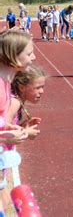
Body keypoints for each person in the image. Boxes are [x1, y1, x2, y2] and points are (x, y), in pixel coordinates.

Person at [0, 30, 36, 214]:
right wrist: (6, 135)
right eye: (29, 54)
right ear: (13, 56)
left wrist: (9, 127)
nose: (34, 57)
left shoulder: (5, 83)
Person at [7, 65, 45, 138]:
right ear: (22, 87)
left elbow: (9, 127)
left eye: (42, 87)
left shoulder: (18, 100)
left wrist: (23, 126)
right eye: (37, 88)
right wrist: (26, 133)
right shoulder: (14, 103)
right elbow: (3, 130)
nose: (42, 91)